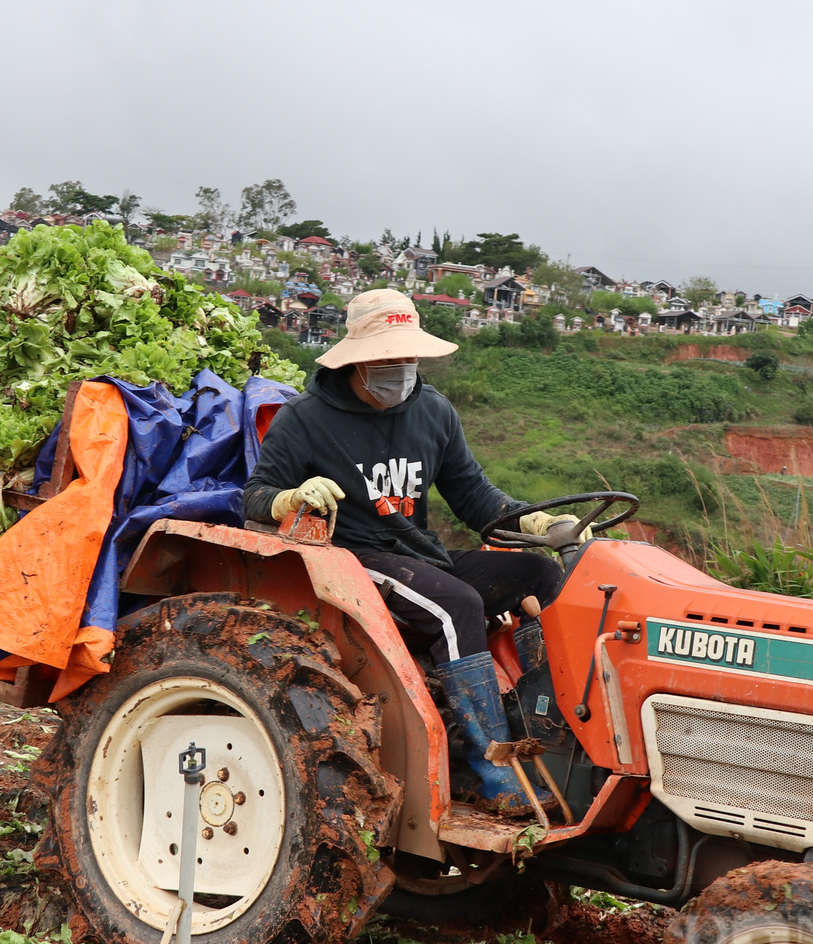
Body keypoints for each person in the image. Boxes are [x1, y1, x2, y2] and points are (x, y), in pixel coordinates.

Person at [243, 289, 579, 813]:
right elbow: (256, 496)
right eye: (387, 359)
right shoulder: (305, 419)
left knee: (540, 574)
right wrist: (291, 496)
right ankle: (490, 769)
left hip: (420, 553)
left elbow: (473, 495)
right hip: (354, 560)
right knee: (457, 605)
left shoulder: (434, 413)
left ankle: (562, 737)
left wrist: (531, 519)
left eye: (408, 358)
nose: (399, 369)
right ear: (357, 360)